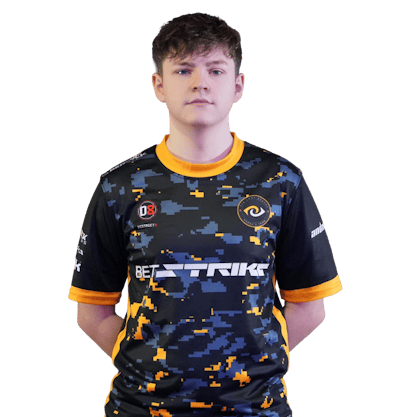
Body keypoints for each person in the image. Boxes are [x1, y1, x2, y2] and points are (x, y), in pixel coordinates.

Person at [68, 12, 343, 417]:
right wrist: (150, 368)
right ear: (158, 85)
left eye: (215, 69)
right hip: (142, 408)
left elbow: (310, 306)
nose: (200, 82)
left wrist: (254, 366)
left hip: (256, 409)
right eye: (183, 70)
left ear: (238, 85)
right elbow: (91, 312)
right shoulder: (119, 187)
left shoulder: (281, 181)